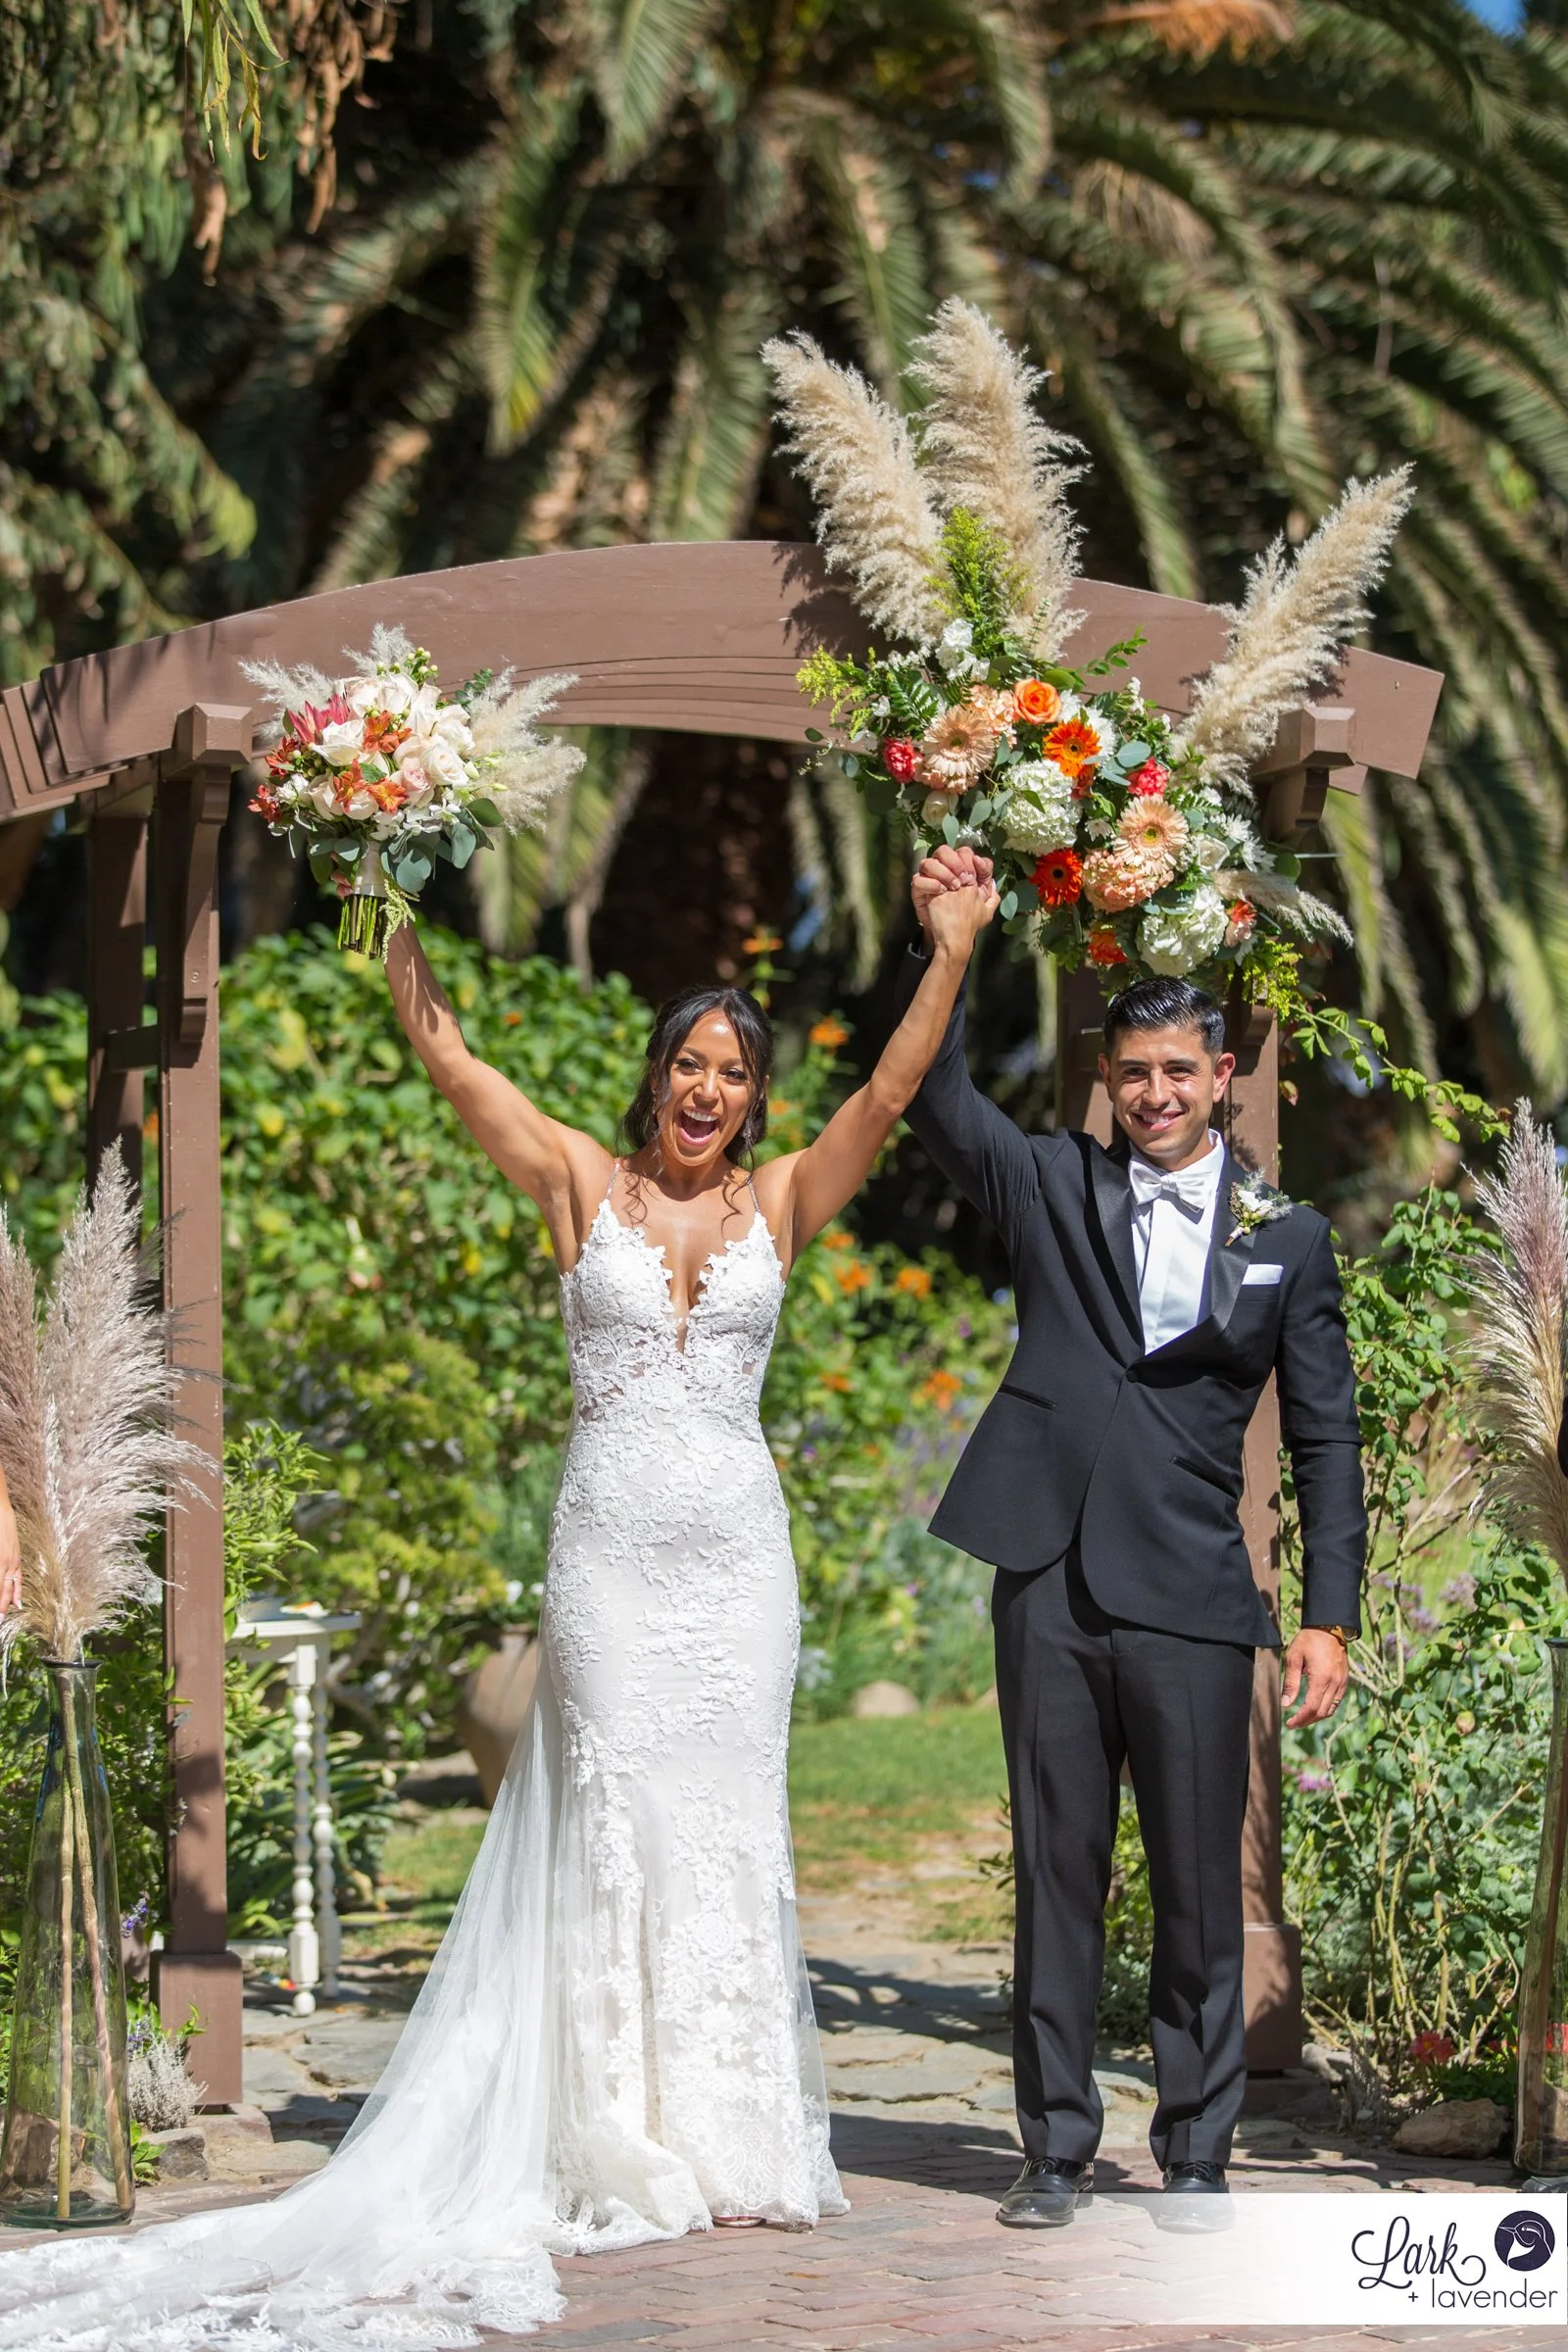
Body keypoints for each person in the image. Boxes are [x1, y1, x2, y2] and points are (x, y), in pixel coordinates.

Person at [0, 871, 996, 2348]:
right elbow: (451, 1055)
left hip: (738, 1567)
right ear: (656, 1075)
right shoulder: (578, 1182)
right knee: (613, 1815)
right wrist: (383, 871)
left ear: (755, 1097)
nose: (708, 1091)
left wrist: (952, 948)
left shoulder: (784, 1199)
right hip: (610, 1562)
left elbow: (895, 1087)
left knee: (725, 1823)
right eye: (689, 1064)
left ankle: (727, 2136)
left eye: (733, 1074)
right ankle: (605, 2124)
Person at [902, 846, 1364, 2229]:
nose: (1155, 1093)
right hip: (1046, 1577)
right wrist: (947, 948)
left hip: (1193, 1595)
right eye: (1133, 1073)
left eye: (1178, 1071)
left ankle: (1198, 2150)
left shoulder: (1290, 1239)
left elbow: (1328, 1439)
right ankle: (1052, 2148)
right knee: (1057, 1872)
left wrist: (1328, 1614)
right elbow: (931, 1099)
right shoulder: (1052, 1182)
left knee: (1195, 1885)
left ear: (1220, 1076)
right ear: (1107, 1079)